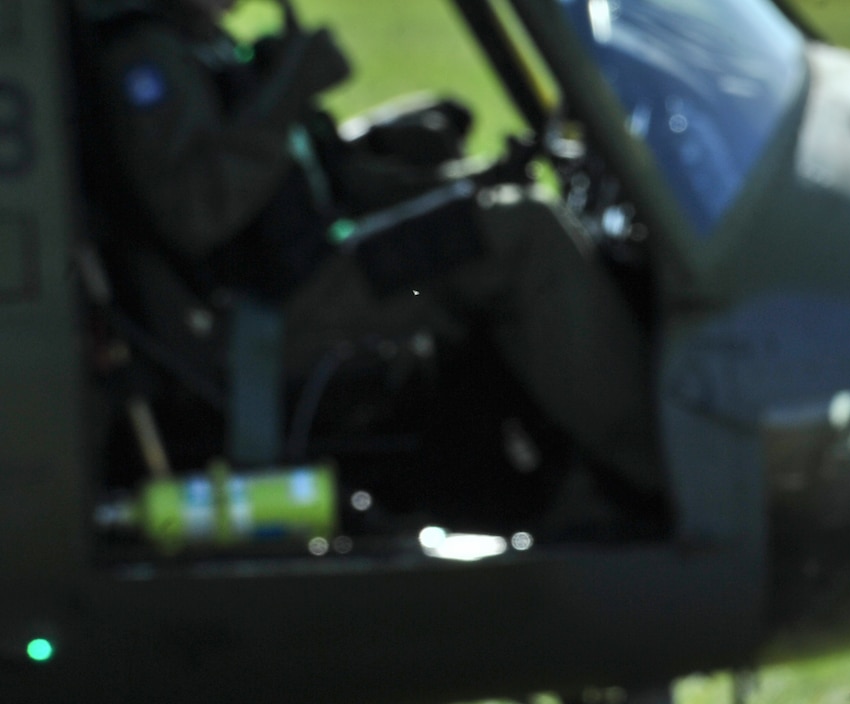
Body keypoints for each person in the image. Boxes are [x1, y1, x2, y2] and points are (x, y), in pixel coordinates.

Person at [86, 0, 662, 506]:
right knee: (523, 234)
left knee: (500, 217)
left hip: (307, 275)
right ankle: (658, 473)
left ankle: (564, 473)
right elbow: (196, 211)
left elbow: (321, 181)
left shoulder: (195, 41)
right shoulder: (144, 55)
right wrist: (289, 88)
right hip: (264, 319)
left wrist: (468, 183)